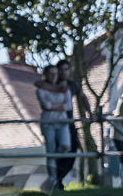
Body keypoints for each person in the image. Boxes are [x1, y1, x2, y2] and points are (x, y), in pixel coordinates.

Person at [35, 59, 90, 188]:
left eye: (66, 69)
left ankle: (58, 177)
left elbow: (77, 100)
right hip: (51, 121)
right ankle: (55, 180)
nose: (63, 72)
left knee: (69, 150)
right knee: (53, 150)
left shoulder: (71, 85)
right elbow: (39, 87)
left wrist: (90, 113)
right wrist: (55, 90)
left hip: (67, 122)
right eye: (61, 70)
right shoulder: (51, 83)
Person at [36, 65, 72, 183]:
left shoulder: (64, 88)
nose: (53, 76)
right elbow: (46, 106)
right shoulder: (41, 89)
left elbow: (69, 106)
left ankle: (52, 160)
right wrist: (59, 106)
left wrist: (54, 107)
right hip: (48, 122)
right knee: (50, 148)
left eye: (55, 73)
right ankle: (52, 179)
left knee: (65, 147)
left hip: (62, 121)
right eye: (50, 73)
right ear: (45, 74)